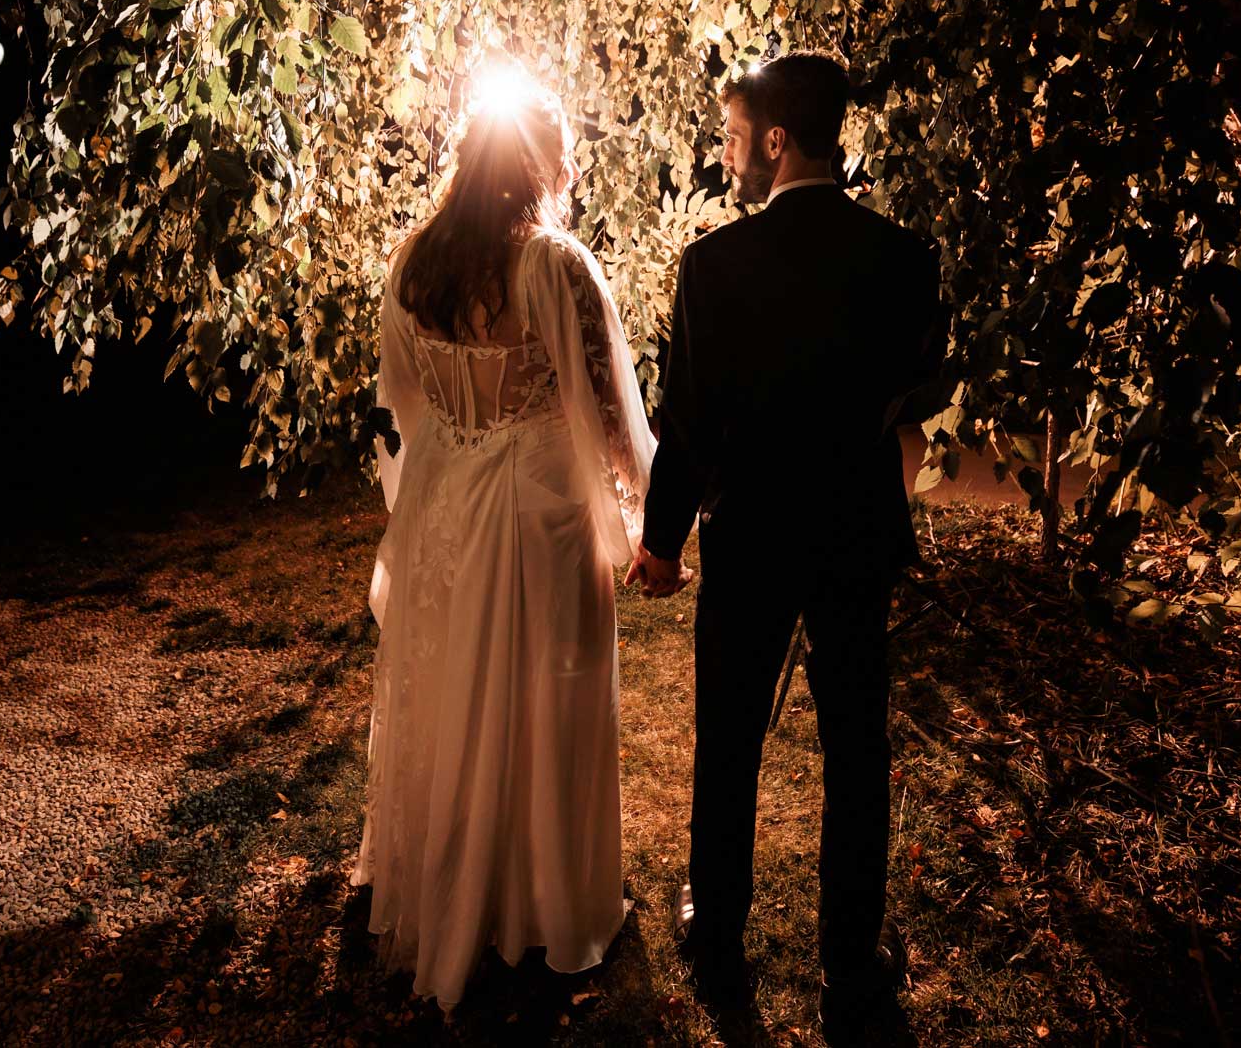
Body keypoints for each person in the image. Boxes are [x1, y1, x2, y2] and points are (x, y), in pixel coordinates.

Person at [626, 52, 946, 1044]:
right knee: (855, 749)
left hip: (751, 534)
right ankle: (847, 965)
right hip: (852, 528)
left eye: (731, 139)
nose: (726, 160)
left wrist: (661, 544)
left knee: (728, 740)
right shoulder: (904, 257)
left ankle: (715, 934)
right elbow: (922, 385)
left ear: (774, 140)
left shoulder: (713, 266)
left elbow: (685, 422)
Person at [353, 82, 657, 1011]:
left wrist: (423, 502)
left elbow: (396, 411)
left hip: (448, 502)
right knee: (549, 699)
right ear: (541, 159)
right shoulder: (554, 265)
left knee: (450, 693)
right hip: (540, 513)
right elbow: (606, 410)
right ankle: (543, 906)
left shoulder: (411, 261)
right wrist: (645, 517)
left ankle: (455, 882)